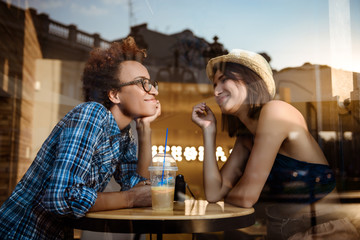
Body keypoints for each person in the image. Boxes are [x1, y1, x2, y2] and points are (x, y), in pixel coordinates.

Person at [0, 36, 161, 239]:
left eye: (152, 83)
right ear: (114, 95)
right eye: (142, 83)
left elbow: (137, 188)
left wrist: (145, 128)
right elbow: (61, 198)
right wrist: (130, 199)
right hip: (20, 233)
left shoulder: (124, 134)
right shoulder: (92, 114)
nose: (153, 91)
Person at [192, 49, 359, 239]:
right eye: (214, 84)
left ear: (249, 79)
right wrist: (209, 130)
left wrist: (231, 196)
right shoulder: (245, 139)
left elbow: (246, 197)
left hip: (325, 233)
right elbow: (214, 194)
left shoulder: (276, 111)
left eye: (223, 80)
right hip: (285, 233)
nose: (216, 91)